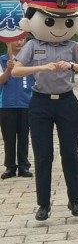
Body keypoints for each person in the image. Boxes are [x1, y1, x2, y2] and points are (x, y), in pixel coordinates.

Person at [12, 0, 78, 221]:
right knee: (43, 155)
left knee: (70, 152)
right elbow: (17, 72)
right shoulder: (32, 45)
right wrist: (38, 67)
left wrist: (72, 66)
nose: (59, 28)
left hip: (67, 103)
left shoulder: (72, 47)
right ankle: (43, 204)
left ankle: (75, 200)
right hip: (40, 104)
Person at [0, 39, 35, 180]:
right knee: (8, 137)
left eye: (22, 39)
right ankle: (10, 166)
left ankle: (23, 166)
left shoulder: (29, 61)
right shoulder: (2, 60)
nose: (19, 42)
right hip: (6, 105)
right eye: (15, 40)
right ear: (7, 42)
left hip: (26, 104)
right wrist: (8, 70)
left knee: (24, 136)